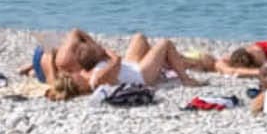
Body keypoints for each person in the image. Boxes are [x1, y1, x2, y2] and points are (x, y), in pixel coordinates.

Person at [27, 30, 205, 91]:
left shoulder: (82, 71)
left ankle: (168, 63)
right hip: (141, 75)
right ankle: (185, 78)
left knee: (139, 37)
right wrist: (105, 52)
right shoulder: (95, 80)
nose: (77, 74)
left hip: (130, 67)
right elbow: (116, 61)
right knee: (165, 43)